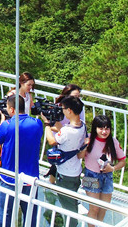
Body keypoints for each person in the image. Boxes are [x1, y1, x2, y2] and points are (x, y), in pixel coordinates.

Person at [0, 94, 43, 227]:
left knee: (6, 214)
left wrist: (2, 121)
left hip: (10, 177)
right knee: (30, 215)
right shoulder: (37, 124)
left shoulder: (7, 125)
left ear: (12, 110)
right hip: (30, 179)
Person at [44, 95, 86, 227]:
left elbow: (52, 141)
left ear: (70, 111)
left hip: (65, 174)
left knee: (68, 208)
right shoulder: (82, 126)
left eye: (63, 109)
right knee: (72, 201)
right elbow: (64, 134)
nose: (62, 111)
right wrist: (54, 125)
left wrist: (46, 124)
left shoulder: (68, 131)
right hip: (75, 171)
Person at [78, 114, 126, 226]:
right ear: (95, 128)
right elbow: (79, 156)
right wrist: (85, 146)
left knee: (103, 208)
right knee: (94, 208)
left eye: (107, 128)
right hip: (91, 176)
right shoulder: (89, 139)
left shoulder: (113, 142)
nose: (104, 131)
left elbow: (123, 161)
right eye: (101, 128)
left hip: (107, 177)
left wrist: (112, 168)